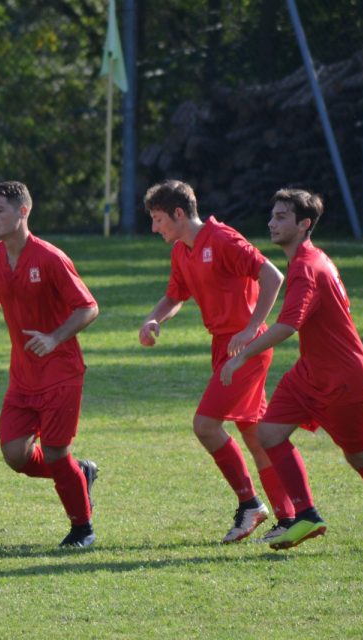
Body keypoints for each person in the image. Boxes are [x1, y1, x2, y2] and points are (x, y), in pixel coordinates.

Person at [221, 188, 363, 550]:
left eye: (282, 216)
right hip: (310, 374)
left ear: (304, 224)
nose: (271, 222)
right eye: (273, 215)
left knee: (360, 456)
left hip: (344, 379)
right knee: (268, 435)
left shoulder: (307, 268)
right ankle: (307, 515)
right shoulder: (307, 261)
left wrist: (242, 355)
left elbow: (288, 325)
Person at [138, 180, 294, 544]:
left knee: (206, 425)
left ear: (178, 214)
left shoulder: (223, 239)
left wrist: (252, 328)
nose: (154, 228)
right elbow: (175, 295)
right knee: (255, 434)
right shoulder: (182, 251)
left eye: (158, 219)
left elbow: (273, 275)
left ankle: (250, 504)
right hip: (223, 345)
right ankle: (290, 516)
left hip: (246, 347)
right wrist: (154, 318)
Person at [0, 181, 101, 548]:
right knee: (15, 455)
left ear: (23, 211)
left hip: (61, 373)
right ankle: (79, 474)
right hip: (22, 377)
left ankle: (82, 529)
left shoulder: (50, 258)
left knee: (56, 452)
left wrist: (55, 337)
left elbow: (89, 307)